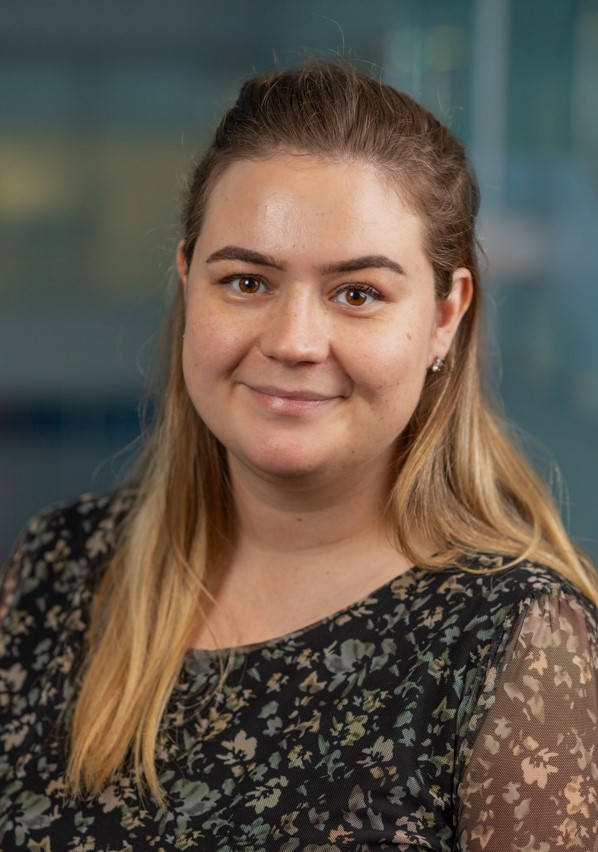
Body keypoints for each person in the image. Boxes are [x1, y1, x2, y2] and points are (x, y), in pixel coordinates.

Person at [1, 63, 597, 852]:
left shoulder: (521, 646)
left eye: (357, 294)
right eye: (246, 281)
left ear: (446, 316)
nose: (291, 342)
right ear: (188, 286)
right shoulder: (60, 567)